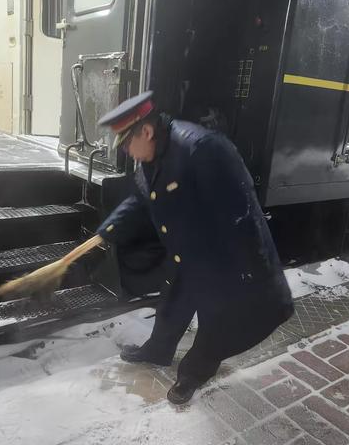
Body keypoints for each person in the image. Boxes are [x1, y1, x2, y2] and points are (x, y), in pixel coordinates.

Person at [96, 91, 294, 404]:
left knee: (216, 322)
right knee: (173, 303)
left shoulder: (202, 148)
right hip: (185, 250)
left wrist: (247, 271)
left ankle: (193, 373)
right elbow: (139, 199)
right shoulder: (151, 155)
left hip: (219, 258)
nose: (129, 154)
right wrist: (105, 233)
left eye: (126, 145)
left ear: (145, 131)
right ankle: (157, 350)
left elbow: (242, 212)